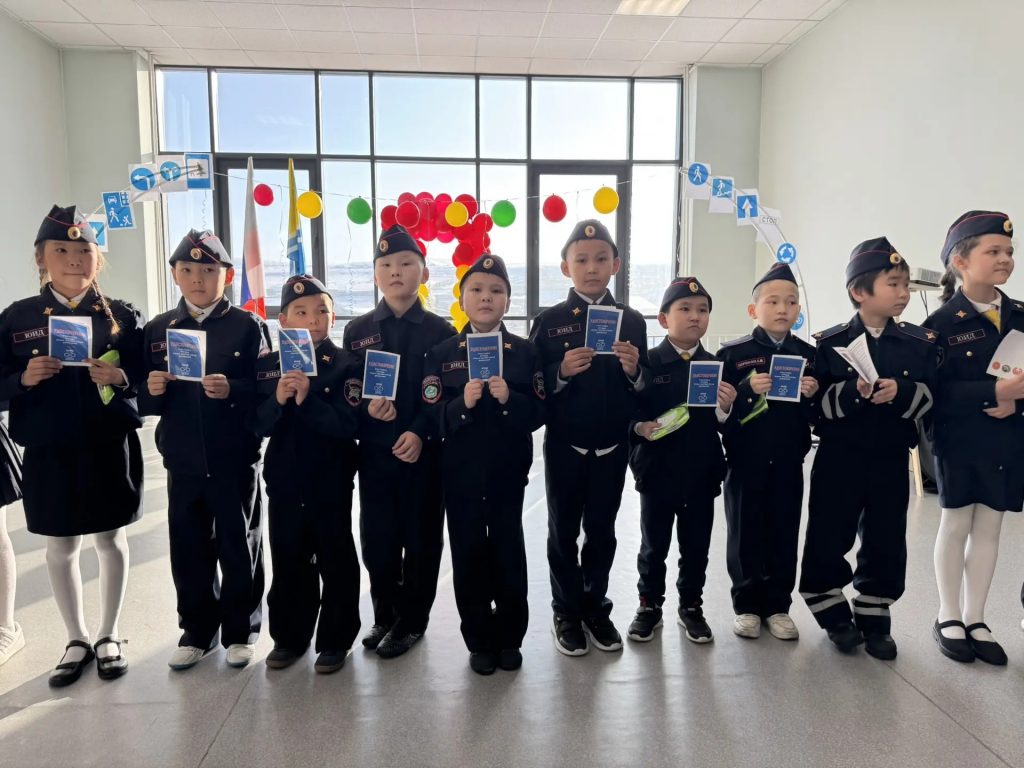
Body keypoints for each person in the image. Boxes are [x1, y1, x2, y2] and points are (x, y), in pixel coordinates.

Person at [0, 204, 144, 685]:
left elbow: (147, 374)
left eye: (84, 250)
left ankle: (109, 633)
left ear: (97, 259)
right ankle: (76, 637)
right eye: (60, 250)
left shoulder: (121, 316)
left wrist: (121, 377)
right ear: (41, 258)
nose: (74, 259)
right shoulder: (17, 318)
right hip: (49, 447)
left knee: (111, 538)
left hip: (108, 443)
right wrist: (22, 379)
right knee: (60, 545)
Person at [800, 237, 938, 659]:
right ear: (859, 291)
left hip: (891, 456)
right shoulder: (830, 343)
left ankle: (875, 612)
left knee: (886, 536)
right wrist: (852, 393)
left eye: (905, 285)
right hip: (839, 456)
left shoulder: (918, 343)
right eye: (893, 284)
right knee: (829, 530)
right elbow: (815, 410)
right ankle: (829, 606)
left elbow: (932, 398)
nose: (903, 293)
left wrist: (902, 392)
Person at [140, 229, 269, 671]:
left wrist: (233, 388)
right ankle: (196, 630)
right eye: (189, 269)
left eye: (209, 270)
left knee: (239, 543)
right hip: (182, 458)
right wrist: (152, 388)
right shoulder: (158, 329)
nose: (198, 278)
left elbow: (265, 389)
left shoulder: (248, 326)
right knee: (188, 546)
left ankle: (241, 630)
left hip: (234, 457)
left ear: (226, 276)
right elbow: (142, 396)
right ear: (175, 274)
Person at [528, 219, 647, 656]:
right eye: (581, 260)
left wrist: (635, 371)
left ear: (616, 264)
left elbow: (645, 388)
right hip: (566, 447)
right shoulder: (549, 322)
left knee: (602, 531)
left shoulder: (632, 321)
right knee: (562, 532)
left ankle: (596, 606)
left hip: (612, 448)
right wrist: (559, 372)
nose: (591, 267)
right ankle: (565, 611)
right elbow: (532, 383)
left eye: (600, 259)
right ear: (566, 268)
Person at [422, 254, 545, 675]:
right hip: (460, 475)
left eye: (496, 290)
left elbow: (539, 412)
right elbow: (430, 414)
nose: (486, 297)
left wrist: (511, 400)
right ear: (462, 300)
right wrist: (462, 404)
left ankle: (510, 638)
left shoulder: (524, 353)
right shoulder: (442, 353)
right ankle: (478, 640)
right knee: (469, 555)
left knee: (509, 552)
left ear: (508, 300)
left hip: (509, 473)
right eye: (476, 289)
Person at [342, 224, 455, 659]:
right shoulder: (358, 330)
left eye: (406, 263)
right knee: (378, 541)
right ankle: (385, 615)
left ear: (423, 274)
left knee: (421, 541)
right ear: (375, 274)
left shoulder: (441, 331)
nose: (395, 271)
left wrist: (421, 432)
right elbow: (350, 390)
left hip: (424, 455)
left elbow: (444, 395)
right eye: (385, 264)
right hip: (375, 455)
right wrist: (366, 409)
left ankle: (411, 622)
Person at [924, 210, 1024, 666]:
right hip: (960, 439)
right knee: (956, 524)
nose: (1005, 259)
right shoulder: (942, 323)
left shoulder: (1020, 316)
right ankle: (948, 613)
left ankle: (976, 617)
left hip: (1007, 440)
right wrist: (993, 393)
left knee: (990, 527)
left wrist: (1015, 402)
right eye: (993, 251)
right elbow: (935, 392)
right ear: (960, 262)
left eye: (1009, 252)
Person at [252, 275, 362, 674]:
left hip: (330, 480)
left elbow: (350, 424)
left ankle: (335, 640)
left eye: (321, 311)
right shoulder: (268, 367)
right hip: (284, 480)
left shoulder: (347, 364)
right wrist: (278, 400)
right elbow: (256, 424)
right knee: (288, 558)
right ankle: (289, 637)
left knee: (336, 558)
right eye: (301, 312)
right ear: (283, 320)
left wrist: (307, 399)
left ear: (333, 318)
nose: (313, 320)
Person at [627, 277, 734, 644]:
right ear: (663, 319)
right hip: (657, 473)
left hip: (701, 473)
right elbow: (630, 410)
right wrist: (639, 427)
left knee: (696, 547)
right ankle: (649, 605)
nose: (694, 317)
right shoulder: (648, 362)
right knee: (653, 546)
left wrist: (726, 408)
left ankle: (691, 606)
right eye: (685, 309)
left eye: (702, 310)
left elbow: (725, 425)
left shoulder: (715, 364)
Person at [716, 263, 818, 641]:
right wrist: (745, 391)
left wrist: (812, 395)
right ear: (753, 309)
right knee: (744, 533)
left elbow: (817, 417)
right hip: (745, 461)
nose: (782, 309)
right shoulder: (732, 354)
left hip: (789, 461)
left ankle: (778, 606)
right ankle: (746, 605)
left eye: (791, 302)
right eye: (773, 301)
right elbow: (718, 416)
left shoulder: (809, 355)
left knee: (784, 530)